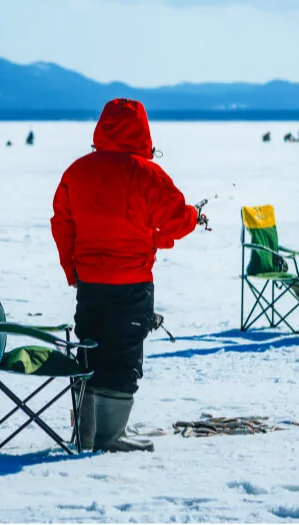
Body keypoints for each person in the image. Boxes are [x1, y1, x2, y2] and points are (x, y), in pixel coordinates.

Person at [51, 98, 203, 453]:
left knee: (89, 352)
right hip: (132, 283)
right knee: (122, 357)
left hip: (89, 284)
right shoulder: (147, 173)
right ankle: (110, 436)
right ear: (143, 131)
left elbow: (63, 224)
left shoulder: (77, 171)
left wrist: (71, 269)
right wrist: (194, 217)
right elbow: (176, 220)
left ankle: (86, 434)